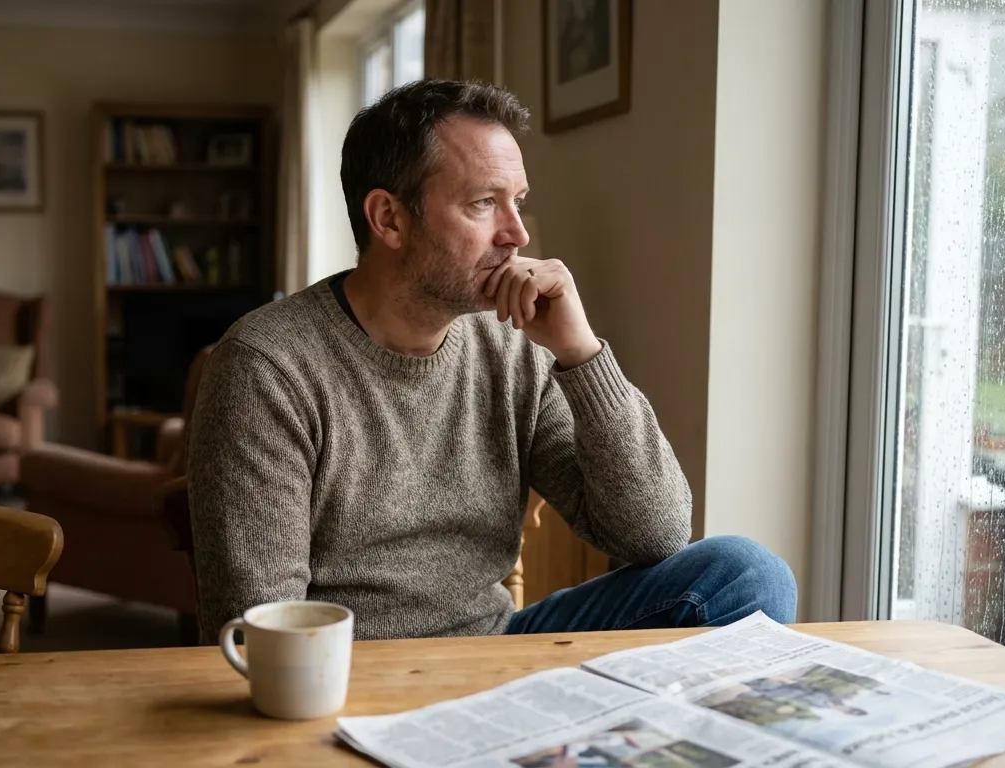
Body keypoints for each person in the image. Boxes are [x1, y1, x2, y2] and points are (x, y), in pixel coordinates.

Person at [187, 79, 796, 644]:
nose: (517, 234)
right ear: (389, 218)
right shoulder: (268, 365)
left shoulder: (511, 347)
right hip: (348, 670)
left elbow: (653, 534)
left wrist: (580, 353)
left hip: (493, 648)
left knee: (747, 576)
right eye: (484, 203)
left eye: (518, 201)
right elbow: (257, 631)